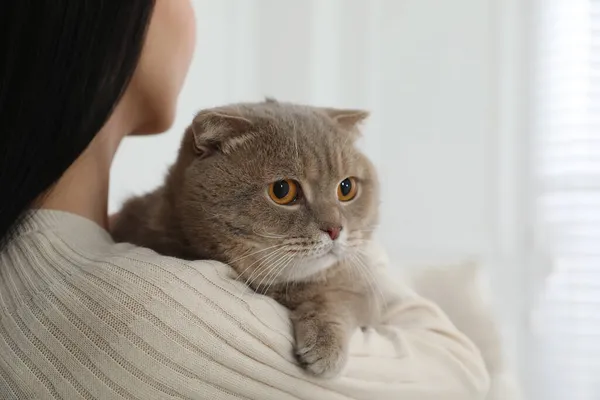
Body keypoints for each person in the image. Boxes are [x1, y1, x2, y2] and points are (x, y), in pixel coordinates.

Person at [0, 1, 490, 399]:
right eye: (282, 191)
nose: (332, 225)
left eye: (346, 190)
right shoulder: (145, 310)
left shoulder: (43, 252)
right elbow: (460, 373)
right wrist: (345, 271)